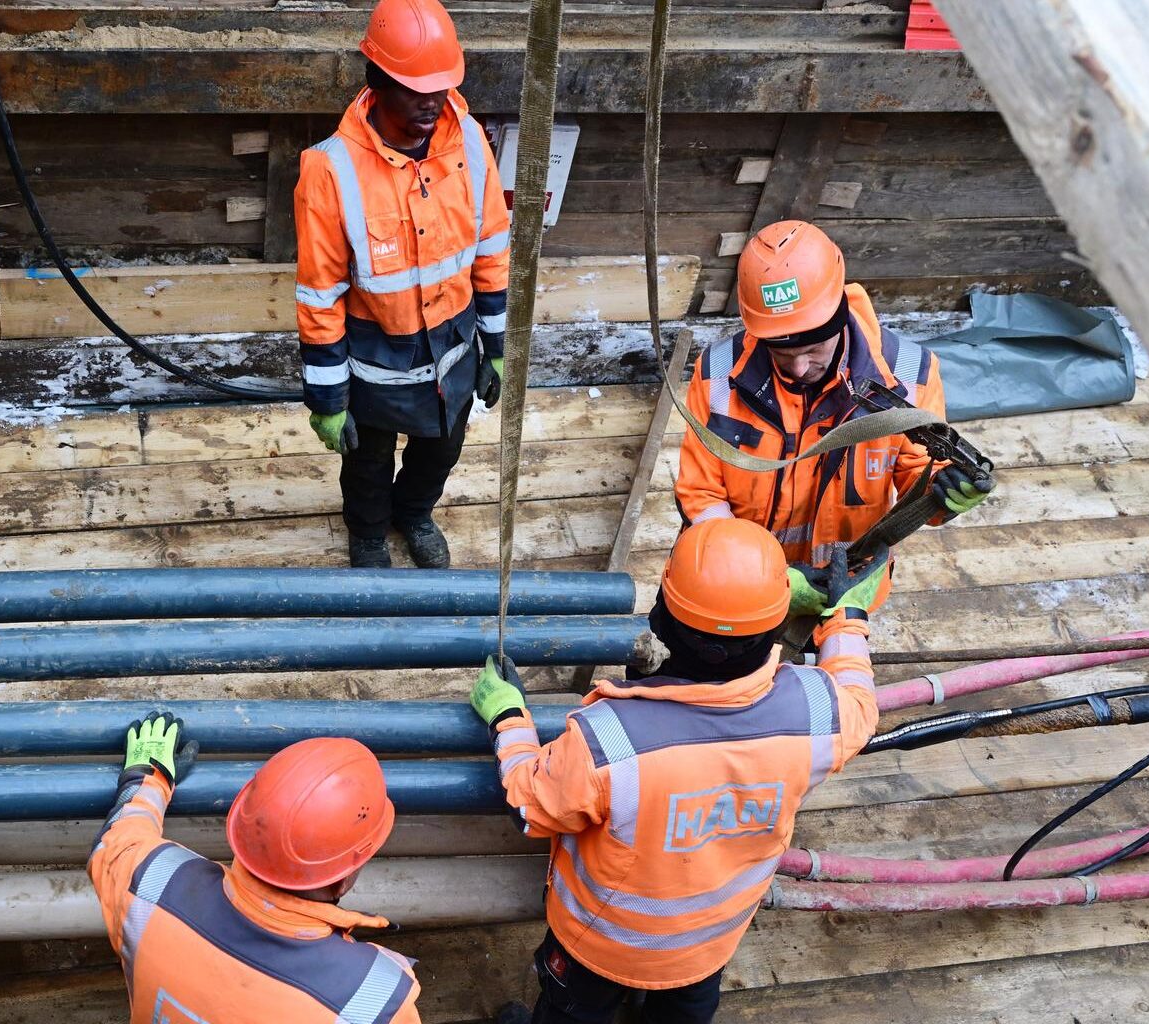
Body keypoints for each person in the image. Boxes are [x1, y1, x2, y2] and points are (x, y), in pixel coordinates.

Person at [467, 518, 882, 1023]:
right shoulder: (821, 713)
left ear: (659, 619)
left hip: (601, 946)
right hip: (708, 944)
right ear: (779, 626)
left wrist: (508, 717)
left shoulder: (609, 741)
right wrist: (846, 619)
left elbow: (530, 807)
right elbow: (860, 700)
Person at [675, 219, 990, 617]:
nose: (800, 367)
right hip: (734, 593)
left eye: (814, 348)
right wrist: (764, 578)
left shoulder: (909, 374)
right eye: (782, 354)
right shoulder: (718, 373)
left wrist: (944, 493)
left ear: (839, 313)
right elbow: (700, 495)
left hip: (845, 595)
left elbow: (918, 475)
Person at [294, 0, 511, 569]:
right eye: (415, 88)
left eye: (440, 87)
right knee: (366, 460)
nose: (431, 101)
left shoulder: (468, 142)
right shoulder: (330, 169)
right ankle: (368, 533)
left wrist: (498, 348)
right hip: (374, 355)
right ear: (377, 81)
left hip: (454, 346)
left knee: (442, 449)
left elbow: (490, 247)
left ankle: (414, 513)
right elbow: (320, 293)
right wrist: (327, 399)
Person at [90, 715, 422, 1023]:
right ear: (342, 879)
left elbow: (115, 842)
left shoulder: (151, 883)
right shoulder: (374, 998)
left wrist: (149, 776)